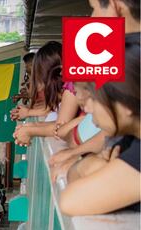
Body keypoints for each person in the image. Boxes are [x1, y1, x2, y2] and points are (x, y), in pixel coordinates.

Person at [60, 40, 140, 215]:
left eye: (94, 99)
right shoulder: (129, 141)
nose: (87, 109)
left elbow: (70, 201)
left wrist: (87, 166)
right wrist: (87, 165)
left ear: (125, 104)